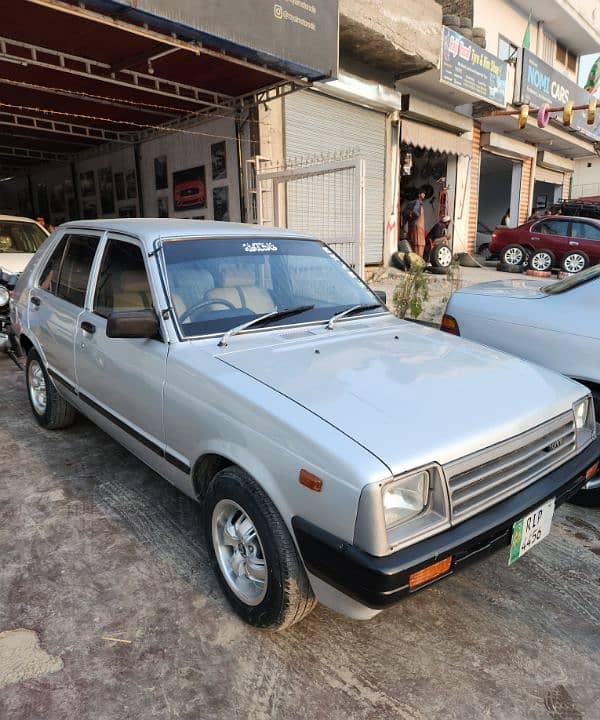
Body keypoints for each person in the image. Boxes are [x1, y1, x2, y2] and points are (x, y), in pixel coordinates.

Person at [406, 189, 426, 256]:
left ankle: (418, 257)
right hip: (418, 225)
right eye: (423, 193)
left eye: (424, 194)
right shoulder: (418, 202)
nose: (424, 195)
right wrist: (417, 216)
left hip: (418, 225)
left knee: (418, 242)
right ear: (419, 195)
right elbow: (415, 212)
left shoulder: (419, 203)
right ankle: (418, 258)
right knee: (419, 242)